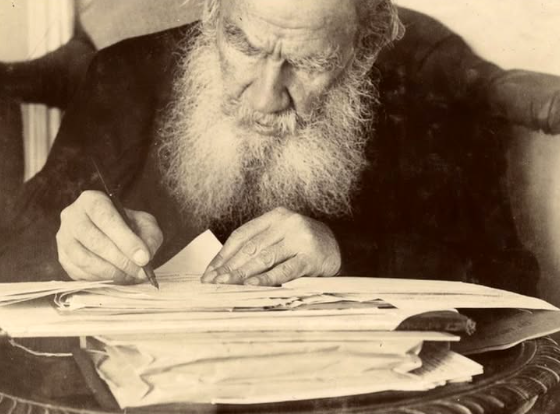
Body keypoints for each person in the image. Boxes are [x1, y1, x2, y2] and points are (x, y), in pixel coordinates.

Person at [0, 0, 549, 295]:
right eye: (243, 45)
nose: (265, 98)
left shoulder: (426, 100)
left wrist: (345, 252)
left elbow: (510, 278)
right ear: (212, 13)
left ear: (364, 48)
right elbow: (16, 250)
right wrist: (70, 242)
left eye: (307, 63)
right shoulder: (123, 74)